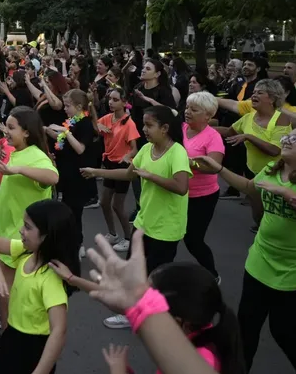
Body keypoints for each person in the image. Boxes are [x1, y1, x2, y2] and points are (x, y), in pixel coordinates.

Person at [195, 125, 296, 374]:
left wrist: (290, 195)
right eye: (288, 135)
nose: (288, 139)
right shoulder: (273, 167)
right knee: (246, 326)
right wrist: (219, 169)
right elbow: (250, 187)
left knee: (283, 330)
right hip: (261, 259)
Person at [61, 258, 247, 374]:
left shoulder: (196, 361)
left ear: (177, 320)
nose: (140, 302)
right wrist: (72, 279)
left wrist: (117, 370)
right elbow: (118, 302)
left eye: (148, 297)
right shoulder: (198, 324)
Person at [82, 105, 191, 330]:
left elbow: (181, 187)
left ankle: (156, 318)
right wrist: (97, 172)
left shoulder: (177, 152)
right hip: (143, 224)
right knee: (134, 272)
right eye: (144, 124)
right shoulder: (146, 149)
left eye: (149, 125)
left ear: (165, 128)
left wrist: (151, 176)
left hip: (166, 228)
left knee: (156, 279)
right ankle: (131, 312)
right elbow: (128, 173)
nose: (145, 130)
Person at [0, 107, 59, 356]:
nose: (7, 130)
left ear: (27, 131)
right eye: (7, 125)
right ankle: (8, 332)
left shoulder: (36, 156)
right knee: (8, 293)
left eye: (12, 127)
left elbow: (52, 177)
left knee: (8, 294)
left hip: (20, 237)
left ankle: (8, 339)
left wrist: (17, 170)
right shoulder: (19, 152)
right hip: (8, 231)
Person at [0, 200, 78, 374]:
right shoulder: (26, 253)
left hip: (32, 352)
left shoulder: (50, 279)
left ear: (48, 235)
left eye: (28, 227)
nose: (21, 230)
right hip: (12, 339)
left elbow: (59, 331)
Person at [46, 89, 100, 256]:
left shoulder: (84, 124)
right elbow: (63, 142)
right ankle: (71, 241)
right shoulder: (72, 121)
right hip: (66, 172)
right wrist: (51, 133)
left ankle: (78, 243)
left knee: (75, 212)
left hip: (78, 176)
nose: (65, 108)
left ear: (78, 106)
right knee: (68, 210)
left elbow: (80, 149)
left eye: (68, 105)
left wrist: (65, 132)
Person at [181, 91, 225, 281]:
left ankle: (212, 274)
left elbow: (212, 167)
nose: (187, 112)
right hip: (178, 191)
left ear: (208, 115)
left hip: (203, 197)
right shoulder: (180, 128)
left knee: (193, 240)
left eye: (194, 109)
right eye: (187, 107)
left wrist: (188, 162)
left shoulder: (213, 137)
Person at [96, 88, 140, 252]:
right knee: (104, 202)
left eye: (115, 99)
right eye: (110, 99)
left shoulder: (129, 123)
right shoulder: (108, 118)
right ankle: (113, 233)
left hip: (122, 166)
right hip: (109, 163)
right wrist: (100, 125)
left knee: (117, 205)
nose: (111, 102)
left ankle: (128, 239)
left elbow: (135, 148)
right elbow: (96, 123)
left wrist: (128, 157)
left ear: (123, 102)